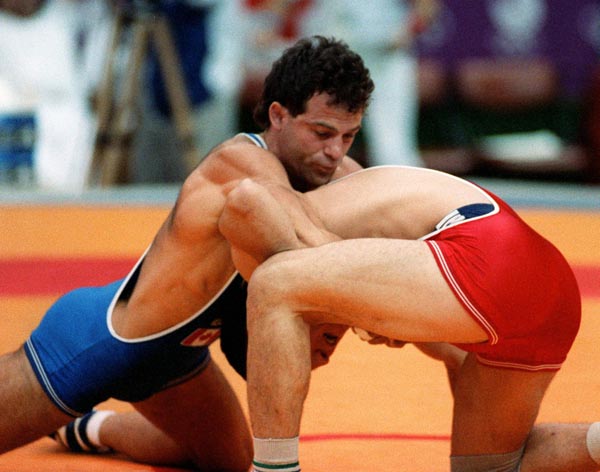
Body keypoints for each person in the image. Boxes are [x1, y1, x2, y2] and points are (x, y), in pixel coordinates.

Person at [0, 35, 373, 471]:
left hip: (178, 357)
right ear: (278, 116)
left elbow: (401, 223)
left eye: (349, 137)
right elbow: (309, 238)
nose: (334, 153)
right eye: (322, 133)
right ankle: (64, 409)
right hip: (96, 345)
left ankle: (88, 428)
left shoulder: (337, 173)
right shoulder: (239, 163)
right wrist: (374, 306)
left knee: (232, 461)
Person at [218, 166, 600, 472]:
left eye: (316, 348)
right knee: (493, 466)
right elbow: (457, 357)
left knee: (273, 281)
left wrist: (362, 312)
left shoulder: (267, 247)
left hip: (483, 249)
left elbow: (245, 196)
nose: (329, 352)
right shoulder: (388, 286)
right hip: (544, 290)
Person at [302, 0, 440, 167]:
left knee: (391, 148)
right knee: (316, 138)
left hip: (385, 52)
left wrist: (409, 29)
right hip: (333, 48)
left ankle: (408, 190)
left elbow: (426, 5)